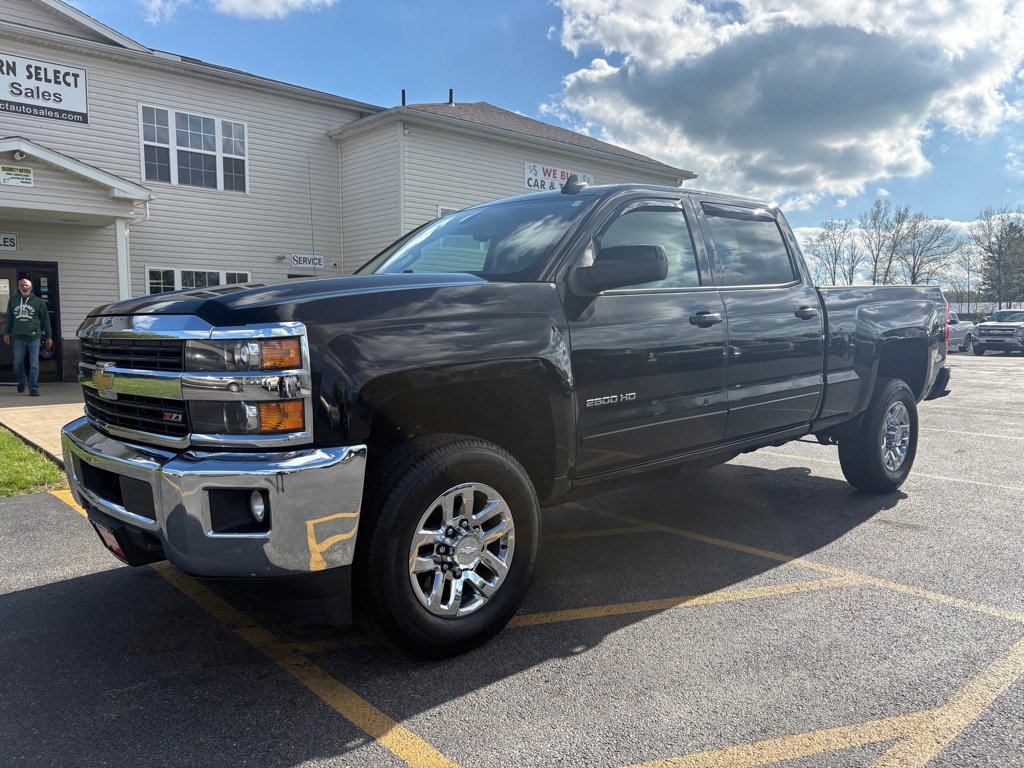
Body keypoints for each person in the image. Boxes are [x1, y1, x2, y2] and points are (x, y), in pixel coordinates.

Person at [3, 278, 53, 396]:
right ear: (18, 287)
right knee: (17, 363)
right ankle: (21, 381)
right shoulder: (13, 301)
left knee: (34, 363)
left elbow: (45, 319)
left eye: (27, 285)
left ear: (31, 287)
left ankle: (33, 387)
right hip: (18, 337)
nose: (24, 287)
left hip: (34, 337)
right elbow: (9, 318)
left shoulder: (39, 302)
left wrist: (49, 336)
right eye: (22, 285)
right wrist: (6, 333)